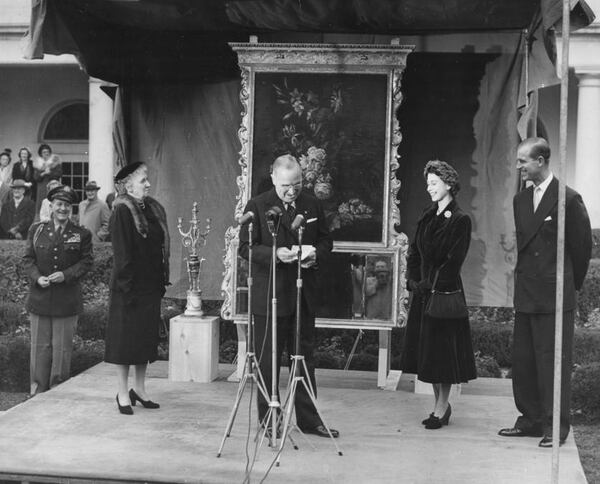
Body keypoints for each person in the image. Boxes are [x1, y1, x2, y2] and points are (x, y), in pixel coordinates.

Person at [498, 137, 592, 447]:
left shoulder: (568, 199)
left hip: (554, 295)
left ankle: (555, 427)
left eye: (523, 161)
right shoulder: (520, 200)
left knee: (552, 363)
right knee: (524, 362)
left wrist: (567, 287)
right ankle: (530, 420)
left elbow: (581, 250)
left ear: (541, 161)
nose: (518, 167)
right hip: (526, 292)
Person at [238, 154, 339, 438]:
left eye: (297, 184)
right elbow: (245, 249)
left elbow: (325, 239)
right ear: (273, 178)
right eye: (285, 186)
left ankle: (310, 421)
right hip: (269, 296)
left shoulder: (312, 204)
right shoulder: (257, 205)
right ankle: (270, 422)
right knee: (267, 364)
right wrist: (275, 255)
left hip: (302, 295)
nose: (292, 191)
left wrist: (315, 253)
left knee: (305, 359)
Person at [399, 160, 477, 429]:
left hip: (443, 294)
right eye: (427, 184)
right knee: (428, 355)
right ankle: (438, 406)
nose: (429, 188)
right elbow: (414, 251)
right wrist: (413, 280)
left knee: (442, 354)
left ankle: (442, 408)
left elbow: (453, 261)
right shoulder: (427, 215)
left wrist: (429, 285)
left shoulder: (460, 219)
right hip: (423, 293)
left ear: (448, 184)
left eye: (433, 183)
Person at [104, 162, 170, 415]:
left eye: (147, 180)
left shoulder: (151, 208)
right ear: (128, 185)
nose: (148, 184)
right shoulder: (122, 209)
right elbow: (122, 253)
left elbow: (158, 247)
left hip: (149, 285)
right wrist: (126, 287)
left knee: (143, 340)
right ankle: (122, 392)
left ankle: (139, 390)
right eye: (143, 181)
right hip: (128, 287)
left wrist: (159, 281)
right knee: (124, 343)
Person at [23, 184, 92, 395]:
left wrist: (66, 275)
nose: (63, 209)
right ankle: (37, 392)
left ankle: (57, 393)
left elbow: (87, 262)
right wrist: (37, 277)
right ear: (51, 205)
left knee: (62, 351)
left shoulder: (81, 234)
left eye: (67, 205)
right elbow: (28, 260)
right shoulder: (37, 230)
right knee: (39, 348)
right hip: (40, 299)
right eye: (59, 204)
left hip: (66, 301)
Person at [33, 144, 62, 221]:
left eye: (48, 152)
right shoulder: (38, 164)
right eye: (44, 152)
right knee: (41, 203)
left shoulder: (55, 163)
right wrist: (43, 173)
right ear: (41, 154)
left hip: (53, 186)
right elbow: (35, 177)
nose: (46, 153)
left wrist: (50, 173)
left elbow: (59, 174)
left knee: (54, 202)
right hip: (41, 187)